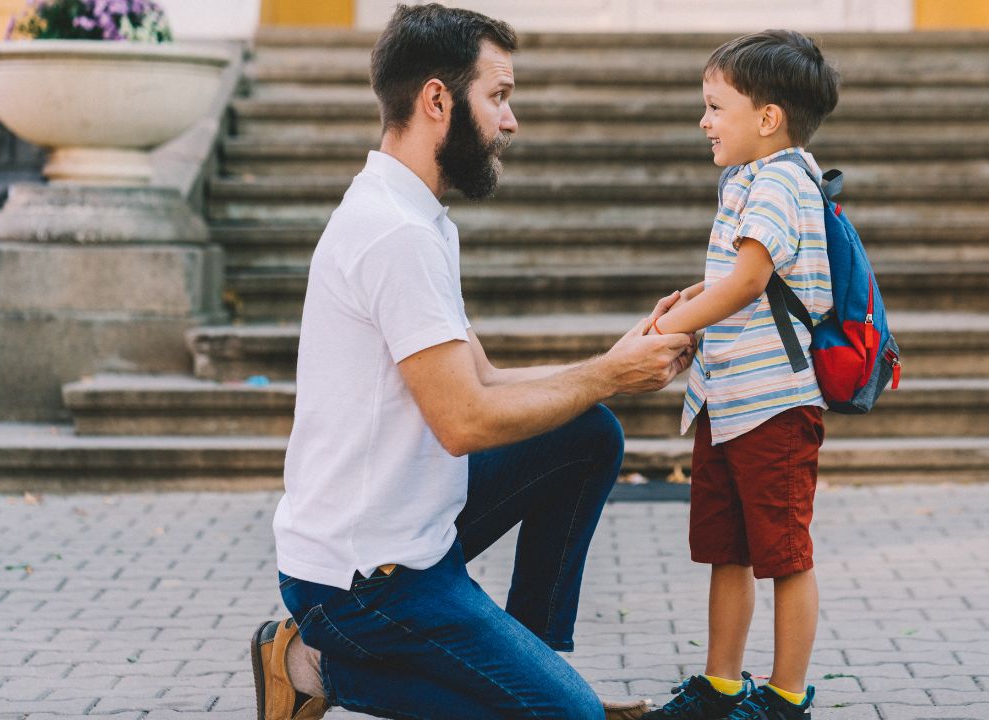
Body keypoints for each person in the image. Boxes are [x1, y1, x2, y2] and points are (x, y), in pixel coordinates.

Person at [248, 4, 695, 719]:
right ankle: (310, 662)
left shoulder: (415, 215)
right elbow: (464, 421)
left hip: (412, 529)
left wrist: (610, 363)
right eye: (499, 97)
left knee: (588, 433)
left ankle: (533, 669)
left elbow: (479, 380)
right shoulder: (396, 234)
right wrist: (608, 375)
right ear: (436, 99)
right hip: (362, 582)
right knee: (570, 718)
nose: (510, 121)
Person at [639, 30, 839, 720]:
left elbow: (750, 281)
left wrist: (672, 328)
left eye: (715, 106)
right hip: (728, 400)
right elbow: (731, 280)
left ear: (768, 117)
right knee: (729, 549)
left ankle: (785, 699)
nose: (704, 121)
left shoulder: (784, 178)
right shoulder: (751, 179)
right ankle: (721, 684)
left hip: (775, 404)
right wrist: (687, 304)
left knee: (784, 553)